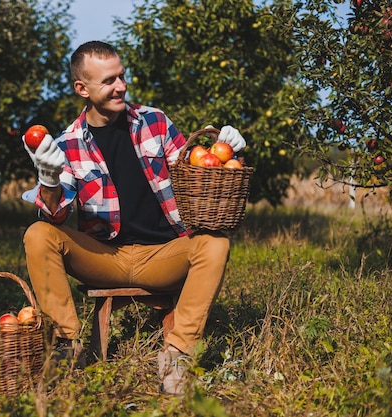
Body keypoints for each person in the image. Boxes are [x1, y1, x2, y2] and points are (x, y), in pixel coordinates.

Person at [21, 40, 246, 395]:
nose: (121, 86)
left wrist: (226, 149)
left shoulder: (155, 122)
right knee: (38, 233)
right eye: (109, 80)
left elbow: (196, 169)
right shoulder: (68, 143)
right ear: (83, 88)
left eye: (122, 76)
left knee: (215, 242)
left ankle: (178, 354)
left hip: (163, 254)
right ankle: (67, 347)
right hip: (104, 257)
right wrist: (48, 178)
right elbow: (56, 213)